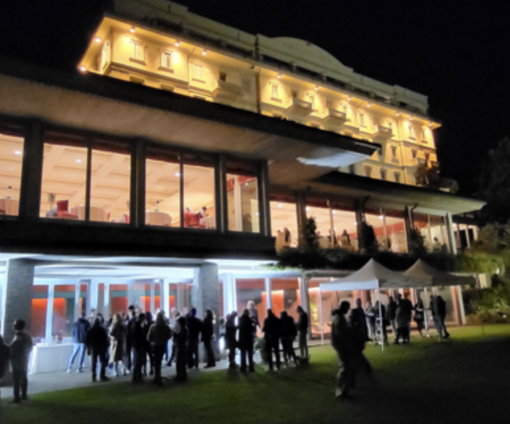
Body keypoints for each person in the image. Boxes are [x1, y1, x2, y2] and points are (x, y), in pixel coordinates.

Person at [10, 320, 33, 403]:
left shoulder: (19, 334)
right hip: (24, 357)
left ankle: (16, 397)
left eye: (14, 324)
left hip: (17, 359)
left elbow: (14, 345)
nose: (13, 326)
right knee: (23, 377)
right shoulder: (27, 334)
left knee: (16, 378)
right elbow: (30, 346)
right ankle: (24, 394)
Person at [147, 311, 172, 386]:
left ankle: (156, 376)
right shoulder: (166, 326)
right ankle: (158, 376)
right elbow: (169, 335)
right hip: (162, 345)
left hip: (154, 346)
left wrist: (152, 340)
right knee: (159, 360)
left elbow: (148, 337)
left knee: (156, 361)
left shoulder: (153, 327)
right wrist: (164, 338)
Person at [85, 317, 109, 382]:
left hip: (93, 347)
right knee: (102, 361)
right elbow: (105, 339)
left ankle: (93, 376)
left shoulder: (90, 330)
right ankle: (102, 375)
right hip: (101, 347)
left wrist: (88, 348)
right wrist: (106, 347)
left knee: (94, 362)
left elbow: (87, 340)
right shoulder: (102, 329)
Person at [131, 312, 147, 384]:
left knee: (139, 361)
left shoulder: (136, 324)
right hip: (139, 344)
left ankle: (138, 376)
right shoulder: (138, 325)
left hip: (137, 344)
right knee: (138, 361)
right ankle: (136, 377)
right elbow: (139, 335)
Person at [174, 316, 188, 382]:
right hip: (181, 346)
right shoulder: (182, 329)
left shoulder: (184, 329)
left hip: (181, 346)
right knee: (179, 362)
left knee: (180, 362)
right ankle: (180, 375)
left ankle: (181, 375)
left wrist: (175, 335)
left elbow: (181, 337)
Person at [125, 305, 137, 372]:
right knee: (133, 353)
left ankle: (129, 366)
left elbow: (127, 330)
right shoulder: (134, 320)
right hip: (132, 339)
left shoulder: (129, 321)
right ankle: (131, 365)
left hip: (130, 339)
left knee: (129, 353)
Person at [144, 311, 154, 376]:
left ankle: (144, 369)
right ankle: (151, 369)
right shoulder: (152, 323)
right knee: (151, 356)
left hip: (145, 342)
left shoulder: (144, 324)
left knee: (144, 357)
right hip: (151, 342)